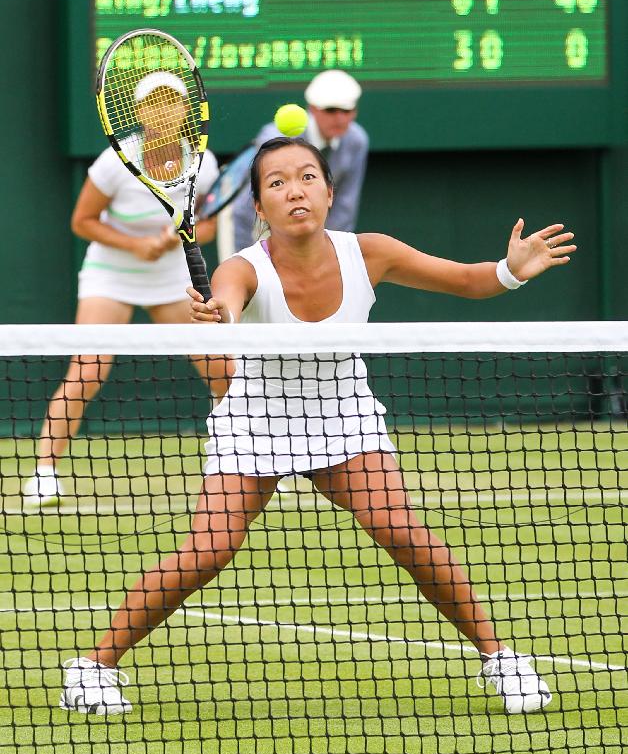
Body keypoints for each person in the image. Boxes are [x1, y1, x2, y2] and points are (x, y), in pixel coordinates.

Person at [60, 137, 576, 717]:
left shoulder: (370, 252)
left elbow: (464, 279)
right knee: (208, 551)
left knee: (403, 532)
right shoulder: (242, 266)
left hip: (342, 415)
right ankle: (91, 668)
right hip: (256, 418)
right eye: (276, 183)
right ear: (258, 207)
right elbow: (228, 297)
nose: (294, 190)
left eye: (306, 177)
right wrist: (216, 315)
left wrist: (511, 270)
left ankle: (501, 660)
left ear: (329, 193)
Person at [23, 71, 220, 509]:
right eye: (154, 103)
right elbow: (82, 222)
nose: (163, 111)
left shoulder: (203, 161)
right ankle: (44, 473)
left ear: (186, 109)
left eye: (172, 102)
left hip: (172, 277)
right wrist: (136, 245)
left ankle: (253, 456)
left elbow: (211, 222)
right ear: (138, 111)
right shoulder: (115, 161)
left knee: (220, 368)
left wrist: (183, 235)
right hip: (110, 274)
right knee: (87, 369)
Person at [224, 69, 367, 256]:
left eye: (346, 111)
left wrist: (330, 253)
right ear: (313, 108)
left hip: (304, 223)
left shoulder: (357, 140)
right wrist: (245, 260)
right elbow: (245, 208)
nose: (339, 118)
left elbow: (344, 207)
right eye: (331, 110)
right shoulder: (274, 139)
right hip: (252, 219)